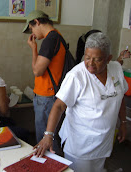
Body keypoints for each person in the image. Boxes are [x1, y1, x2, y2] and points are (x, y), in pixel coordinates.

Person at [33, 32, 128, 172]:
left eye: (97, 59)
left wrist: (123, 123)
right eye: (87, 57)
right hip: (80, 145)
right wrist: (48, 135)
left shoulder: (116, 69)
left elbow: (120, 97)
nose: (91, 64)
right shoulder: (76, 75)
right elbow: (59, 105)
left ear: (109, 59)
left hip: (104, 141)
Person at [22, 10, 66, 155]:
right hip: (48, 95)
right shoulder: (56, 36)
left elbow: (37, 71)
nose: (33, 33)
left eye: (31, 28)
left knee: (46, 140)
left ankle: (52, 167)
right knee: (50, 138)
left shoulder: (50, 39)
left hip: (47, 96)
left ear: (37, 22)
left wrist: (34, 49)